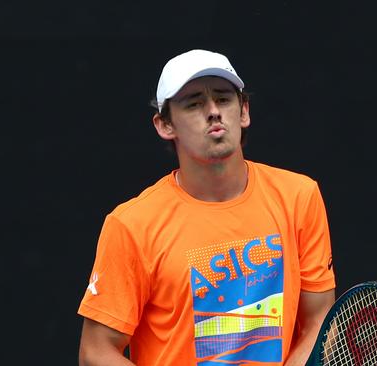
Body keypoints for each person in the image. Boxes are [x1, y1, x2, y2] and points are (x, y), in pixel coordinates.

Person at [77, 49, 336, 366]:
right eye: (194, 103)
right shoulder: (131, 225)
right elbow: (96, 351)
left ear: (244, 112)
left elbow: (320, 316)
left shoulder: (299, 196)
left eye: (224, 99)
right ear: (165, 125)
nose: (213, 111)